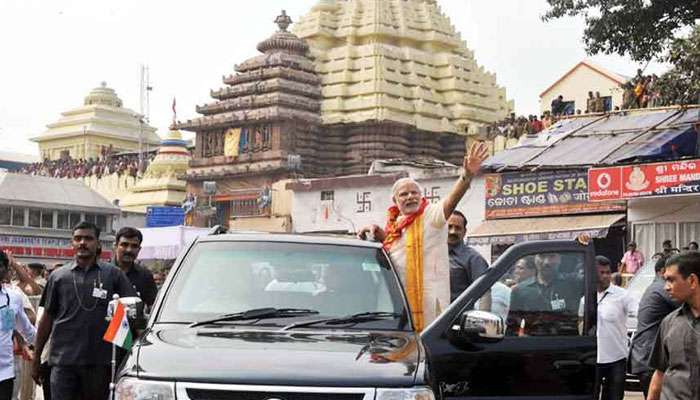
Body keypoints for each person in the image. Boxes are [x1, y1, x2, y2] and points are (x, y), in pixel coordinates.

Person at [357, 142, 489, 330]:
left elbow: (451, 201)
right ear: (395, 201)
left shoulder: (431, 216)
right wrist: (381, 236)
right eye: (404, 194)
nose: (410, 197)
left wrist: (466, 176)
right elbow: (402, 249)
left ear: (421, 196)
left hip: (427, 308)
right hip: (396, 305)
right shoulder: (395, 226)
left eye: (414, 193)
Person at [31, 221, 135, 400]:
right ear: (72, 243)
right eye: (78, 238)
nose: (82, 243)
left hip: (99, 365)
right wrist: (36, 358)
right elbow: (46, 319)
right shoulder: (58, 277)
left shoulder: (114, 275)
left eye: (88, 238)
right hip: (63, 363)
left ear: (98, 243)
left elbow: (132, 313)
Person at [647, 252, 700, 400]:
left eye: (671, 280)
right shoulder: (669, 323)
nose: (666, 287)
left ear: (692, 281)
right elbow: (659, 375)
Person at [629, 257, 679, 398]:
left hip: (646, 356)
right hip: (650, 359)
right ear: (663, 271)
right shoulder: (662, 288)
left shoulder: (654, 287)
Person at [592, 256, 635, 400]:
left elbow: (639, 312)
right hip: (593, 359)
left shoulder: (622, 295)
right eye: (601, 272)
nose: (606, 276)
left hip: (616, 359)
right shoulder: (585, 296)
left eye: (608, 272)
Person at [0, 251, 36, 400]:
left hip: (4, 373)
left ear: (5, 270)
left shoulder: (12, 298)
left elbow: (26, 329)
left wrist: (43, 349)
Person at [510, 253, 581, 314]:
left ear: (559, 259)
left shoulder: (573, 284)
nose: (547, 262)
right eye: (542, 256)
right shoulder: (520, 291)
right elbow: (513, 324)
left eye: (552, 256)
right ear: (535, 258)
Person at [447, 211, 489, 302]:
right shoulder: (433, 254)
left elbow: (484, 293)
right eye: (449, 227)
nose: (452, 231)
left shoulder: (474, 259)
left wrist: (483, 315)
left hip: (458, 315)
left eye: (457, 228)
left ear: (464, 231)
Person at [113, 227, 158, 308]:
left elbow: (153, 306)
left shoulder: (145, 276)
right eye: (124, 245)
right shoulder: (102, 273)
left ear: (139, 249)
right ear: (115, 246)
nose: (129, 250)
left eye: (134, 246)